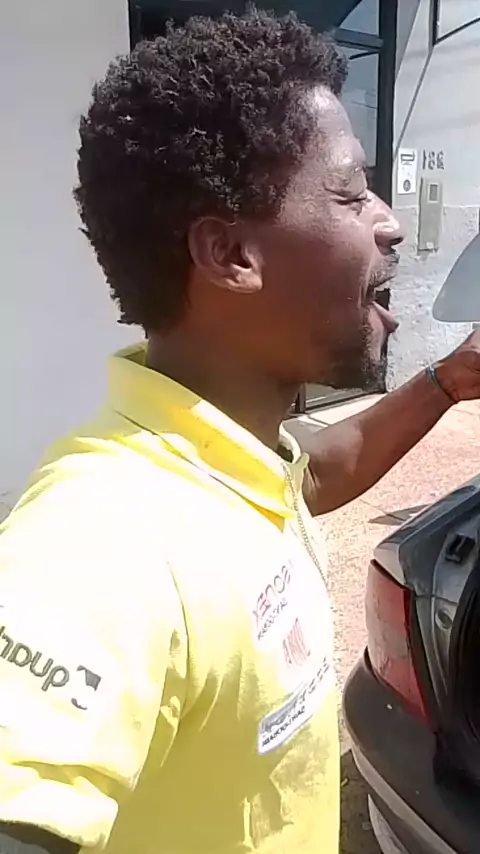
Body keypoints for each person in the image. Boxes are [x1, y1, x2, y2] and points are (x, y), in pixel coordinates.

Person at [1, 10, 480, 854]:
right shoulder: (101, 533)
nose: (390, 221)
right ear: (231, 256)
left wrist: (449, 380)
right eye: (349, 193)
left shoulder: (228, 457)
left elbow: (314, 472)